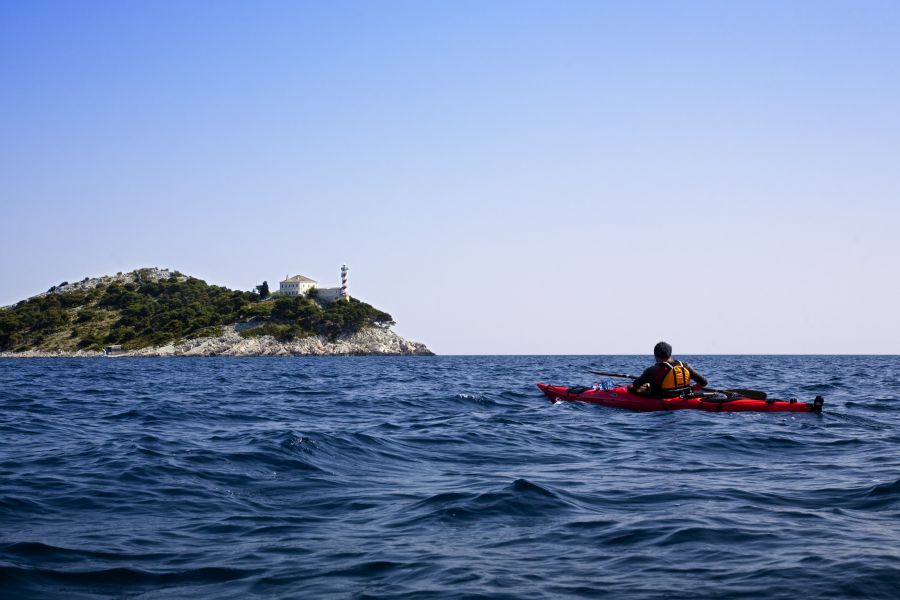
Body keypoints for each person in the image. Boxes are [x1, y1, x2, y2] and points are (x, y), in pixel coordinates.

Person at [628, 341, 708, 397]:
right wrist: (691, 388)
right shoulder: (685, 366)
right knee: (647, 385)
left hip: (663, 399)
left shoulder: (652, 370)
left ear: (655, 356)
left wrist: (630, 387)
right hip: (683, 396)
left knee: (630, 387)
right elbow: (704, 382)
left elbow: (635, 385)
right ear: (670, 353)